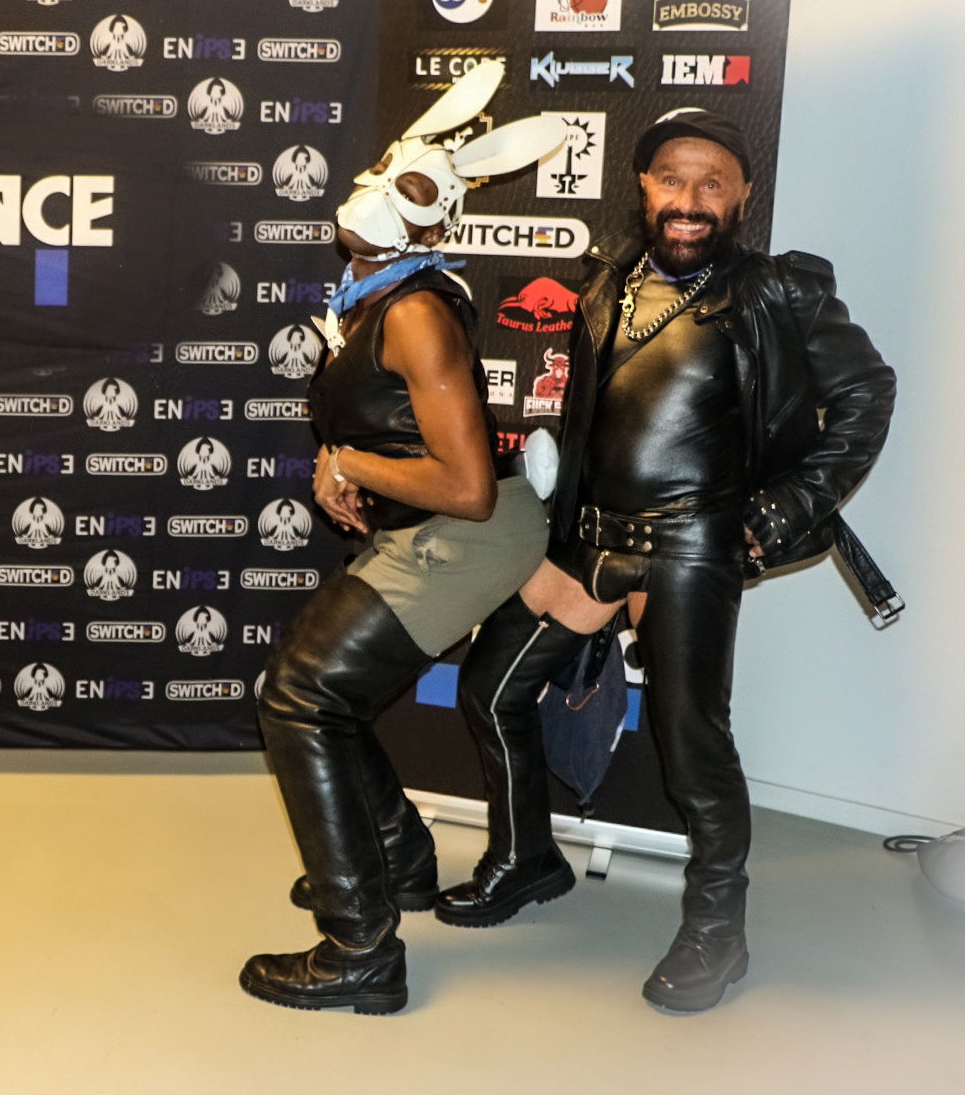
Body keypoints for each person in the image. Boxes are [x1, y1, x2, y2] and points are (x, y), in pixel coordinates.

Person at [441, 109, 894, 1012]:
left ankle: (718, 930)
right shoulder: (607, 284)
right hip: (589, 540)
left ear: (742, 197)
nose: (691, 200)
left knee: (692, 747)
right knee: (490, 689)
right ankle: (526, 859)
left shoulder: (779, 291)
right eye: (672, 180)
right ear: (644, 188)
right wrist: (554, 535)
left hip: (693, 550)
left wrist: (786, 508)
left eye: (712, 183)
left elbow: (867, 394)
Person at [239, 59, 564, 1016]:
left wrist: (350, 463)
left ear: (437, 223)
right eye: (386, 167)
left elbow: (467, 488)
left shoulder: (415, 312)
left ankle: (360, 949)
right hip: (426, 526)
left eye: (413, 186)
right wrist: (345, 461)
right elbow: (388, 435)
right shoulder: (370, 293)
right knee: (315, 692)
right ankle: (399, 859)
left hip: (467, 533)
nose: (382, 189)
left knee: (300, 697)